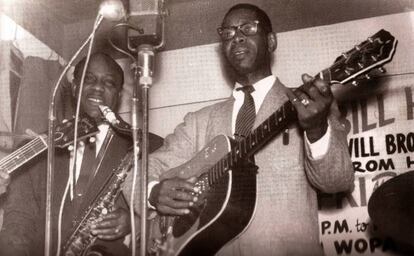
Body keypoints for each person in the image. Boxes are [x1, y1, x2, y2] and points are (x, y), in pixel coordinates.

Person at [123, 3, 354, 256]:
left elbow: (338, 181)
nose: (237, 36)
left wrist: (316, 129)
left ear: (271, 41)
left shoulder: (311, 106)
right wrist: (153, 192)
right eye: (228, 33)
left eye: (248, 28)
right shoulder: (199, 121)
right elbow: (137, 175)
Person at [0, 52, 163, 255]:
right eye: (89, 79)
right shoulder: (36, 148)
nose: (97, 87)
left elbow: (169, 220)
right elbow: (18, 221)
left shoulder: (150, 145)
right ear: (75, 88)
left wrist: (136, 222)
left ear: (119, 95)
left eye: (109, 83)